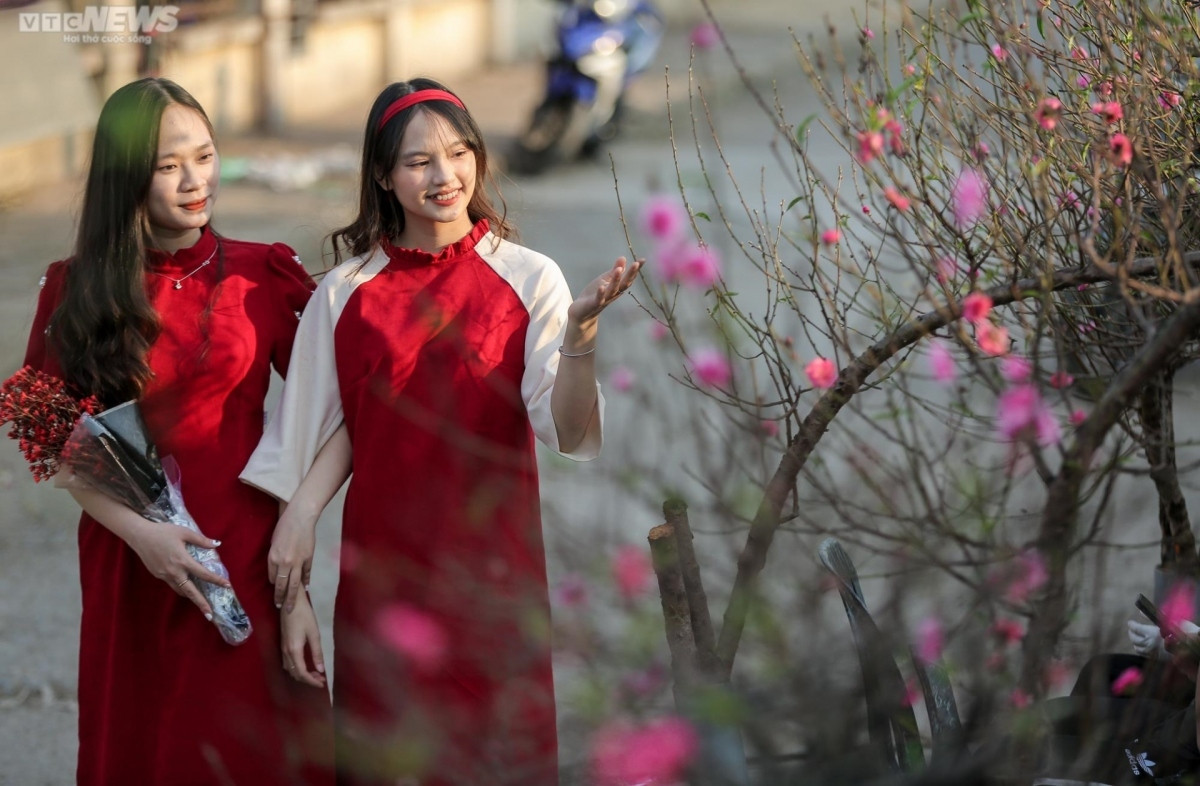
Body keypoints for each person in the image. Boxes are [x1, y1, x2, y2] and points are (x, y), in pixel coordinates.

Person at [240, 77, 641, 784]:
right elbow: (306, 439)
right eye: (419, 161)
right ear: (383, 177)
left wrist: (580, 334)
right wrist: (297, 545)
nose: (445, 175)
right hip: (384, 584)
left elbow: (568, 429)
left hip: (496, 580)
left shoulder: (530, 278)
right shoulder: (344, 295)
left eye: (459, 153)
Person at [20, 78, 334, 784]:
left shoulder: (266, 275)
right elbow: (47, 438)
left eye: (205, 155)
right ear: (125, 176)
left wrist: (300, 536)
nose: (196, 180)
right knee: (145, 743)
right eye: (168, 166)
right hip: (130, 557)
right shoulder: (73, 288)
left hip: (245, 553)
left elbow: (334, 407)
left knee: (248, 744)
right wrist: (145, 538)